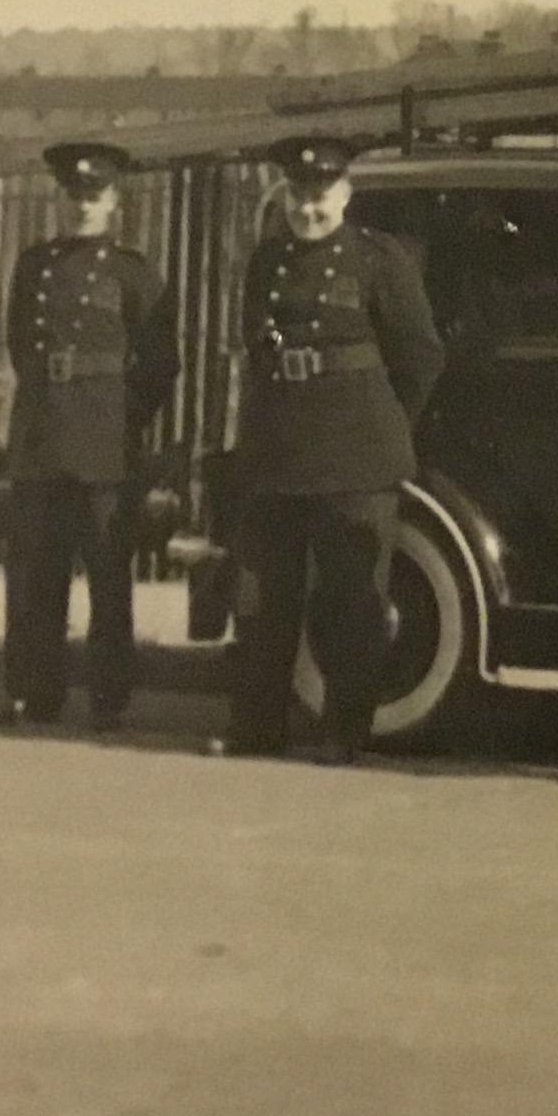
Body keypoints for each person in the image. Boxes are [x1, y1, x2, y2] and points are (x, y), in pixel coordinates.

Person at [218, 132, 445, 765]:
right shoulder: (267, 262)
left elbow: (421, 356)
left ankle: (345, 733)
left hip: (355, 455)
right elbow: (258, 354)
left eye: (321, 194)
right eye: (299, 194)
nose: (309, 208)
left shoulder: (379, 260)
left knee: (351, 601)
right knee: (265, 599)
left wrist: (382, 428)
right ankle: (257, 730)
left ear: (346, 194)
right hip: (279, 452)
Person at [0, 141, 178, 731]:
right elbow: (21, 346)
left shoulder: (132, 272)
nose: (83, 205)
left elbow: (161, 363)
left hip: (105, 444)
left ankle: (108, 698)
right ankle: (34, 694)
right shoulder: (35, 266)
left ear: (114, 201)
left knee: (107, 574)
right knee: (35, 574)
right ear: (61, 198)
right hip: (43, 436)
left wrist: (124, 419)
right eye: (74, 193)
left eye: (94, 194)